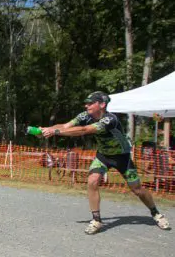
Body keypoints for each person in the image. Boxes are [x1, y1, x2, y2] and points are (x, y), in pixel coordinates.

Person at [42, 91, 170, 235]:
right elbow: (66, 125)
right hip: (103, 156)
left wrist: (56, 132)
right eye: (86, 103)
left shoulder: (110, 119)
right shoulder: (84, 115)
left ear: (102, 105)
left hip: (122, 157)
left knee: (137, 190)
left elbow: (85, 130)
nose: (86, 105)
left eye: (90, 103)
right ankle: (96, 220)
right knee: (92, 181)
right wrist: (48, 129)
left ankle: (156, 213)